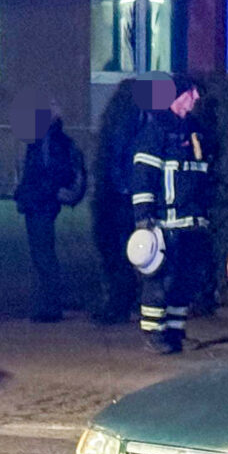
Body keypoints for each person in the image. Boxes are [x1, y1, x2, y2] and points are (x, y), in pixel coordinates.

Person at [130, 75, 212, 354]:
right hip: (165, 221)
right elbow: (143, 176)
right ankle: (153, 331)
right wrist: (143, 216)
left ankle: (176, 332)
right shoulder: (156, 131)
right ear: (180, 95)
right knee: (161, 278)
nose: (197, 98)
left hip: (192, 220)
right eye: (193, 92)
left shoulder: (193, 130)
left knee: (185, 279)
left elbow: (202, 175)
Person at [12, 105, 87, 324]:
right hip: (41, 201)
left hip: (41, 202)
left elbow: (47, 172)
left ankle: (49, 306)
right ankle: (46, 303)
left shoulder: (47, 141)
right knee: (42, 253)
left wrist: (34, 193)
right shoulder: (50, 139)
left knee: (43, 254)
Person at [90, 79, 145, 325]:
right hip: (124, 196)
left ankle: (117, 303)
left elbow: (112, 160)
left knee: (115, 252)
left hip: (112, 196)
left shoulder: (115, 122)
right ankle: (127, 300)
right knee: (129, 252)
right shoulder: (138, 121)